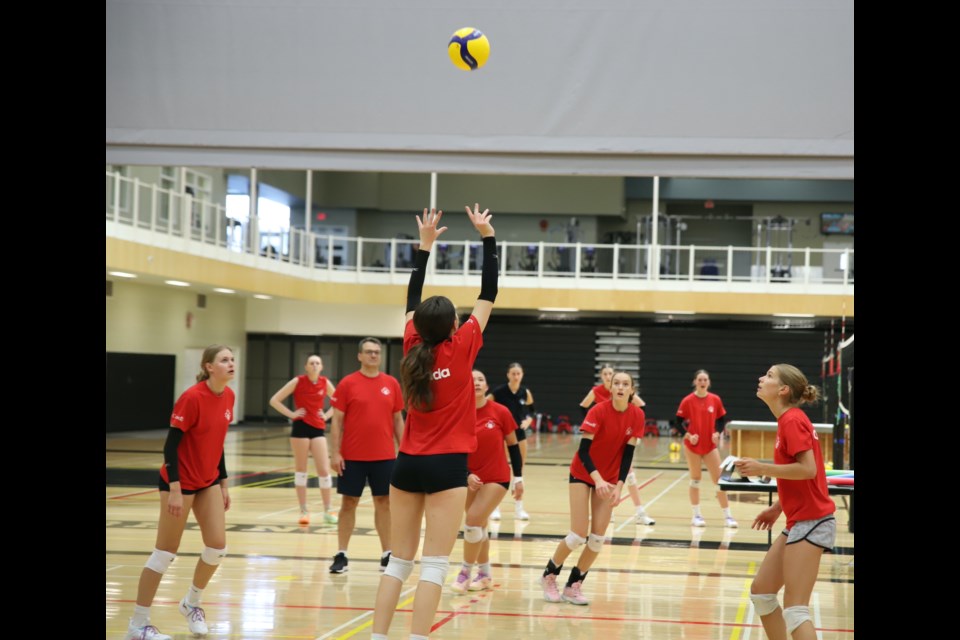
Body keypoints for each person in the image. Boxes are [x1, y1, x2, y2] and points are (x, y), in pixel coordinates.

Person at [371, 203, 499, 640]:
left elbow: (411, 300)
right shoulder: (462, 348)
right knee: (435, 564)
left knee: (399, 562)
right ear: (453, 327)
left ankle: (377, 636)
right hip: (447, 468)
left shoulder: (411, 347)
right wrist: (487, 236)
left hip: (405, 464)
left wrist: (424, 248)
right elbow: (489, 293)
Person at [124, 345, 236, 640]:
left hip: (207, 480)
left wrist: (223, 484)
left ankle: (191, 603)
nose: (231, 363)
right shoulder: (192, 397)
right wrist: (174, 489)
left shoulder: (229, 397)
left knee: (217, 547)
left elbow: (218, 442)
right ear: (209, 366)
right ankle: (138, 624)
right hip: (179, 482)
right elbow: (170, 446)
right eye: (224, 360)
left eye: (232, 359)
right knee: (164, 554)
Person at [735, 365, 834, 640]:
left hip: (813, 521)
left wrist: (761, 468)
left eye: (768, 375)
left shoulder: (792, 420)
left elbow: (809, 469)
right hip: (798, 520)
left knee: (795, 610)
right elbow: (801, 478)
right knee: (763, 594)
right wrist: (778, 507)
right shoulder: (788, 420)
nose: (760, 378)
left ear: (783, 389)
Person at [539, 370, 642, 606]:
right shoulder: (598, 410)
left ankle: (573, 586)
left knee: (596, 539)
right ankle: (549, 575)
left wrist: (618, 486)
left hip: (609, 479)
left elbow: (628, 456)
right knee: (577, 535)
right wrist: (598, 480)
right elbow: (584, 452)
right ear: (611, 387)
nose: (620, 387)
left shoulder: (636, 416)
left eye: (625, 384)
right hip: (583, 474)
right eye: (616, 383)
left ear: (631, 390)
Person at [327, 337, 405, 574]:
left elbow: (397, 420)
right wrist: (335, 452)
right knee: (348, 503)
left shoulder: (391, 384)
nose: (373, 355)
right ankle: (342, 554)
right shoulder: (348, 384)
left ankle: (387, 554)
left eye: (377, 352)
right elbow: (337, 421)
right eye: (369, 352)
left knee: (384, 503)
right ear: (359, 356)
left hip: (384, 456)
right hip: (352, 457)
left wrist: (404, 451)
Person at [450, 369, 524, 593]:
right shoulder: (458, 414)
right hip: (469, 477)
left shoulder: (500, 412)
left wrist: (519, 478)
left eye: (481, 379)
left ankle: (464, 573)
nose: (477, 383)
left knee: (472, 521)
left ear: (487, 385)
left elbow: (513, 446)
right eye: (472, 380)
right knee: (479, 525)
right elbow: (453, 450)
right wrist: (465, 475)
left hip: (497, 477)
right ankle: (485, 574)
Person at [579, 364, 655, 526]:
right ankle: (607, 511)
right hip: (602, 441)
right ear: (602, 377)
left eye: (610, 374)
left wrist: (633, 424)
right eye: (605, 374)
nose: (608, 376)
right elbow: (583, 406)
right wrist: (592, 425)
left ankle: (639, 511)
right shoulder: (597, 392)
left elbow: (642, 405)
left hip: (621, 436)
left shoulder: (624, 391)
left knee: (629, 474)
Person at [269, 355, 338, 525]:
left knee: (324, 470)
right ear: (306, 367)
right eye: (311, 363)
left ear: (321, 367)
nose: (314, 365)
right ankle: (304, 510)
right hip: (300, 428)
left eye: (317, 363)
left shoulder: (325, 382)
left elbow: (339, 402)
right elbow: (274, 400)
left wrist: (327, 415)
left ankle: (328, 510)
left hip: (318, 427)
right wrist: (292, 414)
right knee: (301, 470)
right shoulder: (297, 381)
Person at [675, 369, 737, 528]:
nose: (702, 382)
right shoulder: (688, 400)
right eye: (700, 379)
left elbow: (721, 420)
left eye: (705, 379)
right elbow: (677, 422)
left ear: (709, 382)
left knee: (719, 481)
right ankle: (696, 515)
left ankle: (728, 517)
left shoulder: (715, 399)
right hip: (692, 447)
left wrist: (717, 432)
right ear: (695, 382)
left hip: (710, 447)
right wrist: (688, 435)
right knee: (695, 479)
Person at [489, 362, 535, 520]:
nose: (516, 376)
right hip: (501, 434)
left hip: (519, 434)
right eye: (513, 373)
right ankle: (494, 508)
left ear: (522, 375)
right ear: (508, 375)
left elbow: (532, 410)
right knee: (498, 469)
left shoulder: (525, 392)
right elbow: (486, 405)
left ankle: (519, 508)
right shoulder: (499, 392)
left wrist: (528, 420)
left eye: (518, 373)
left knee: (519, 470)